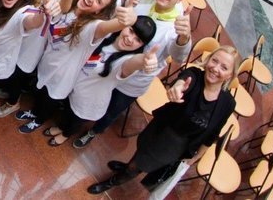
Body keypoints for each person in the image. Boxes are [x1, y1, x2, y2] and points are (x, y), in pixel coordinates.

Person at [87, 46, 239, 195]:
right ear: (208, 59)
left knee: (138, 166)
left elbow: (212, 134)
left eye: (224, 67)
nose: (215, 68)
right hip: (161, 129)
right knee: (141, 151)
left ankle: (112, 182)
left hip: (175, 146)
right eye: (214, 60)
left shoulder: (228, 104)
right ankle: (127, 167)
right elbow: (182, 80)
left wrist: (195, 158)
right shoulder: (194, 74)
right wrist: (177, 87)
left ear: (230, 75)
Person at [73, 0, 192, 149]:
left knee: (112, 110)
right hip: (112, 66)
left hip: (133, 82)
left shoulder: (175, 27)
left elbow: (178, 56)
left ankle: (94, 131)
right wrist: (128, 8)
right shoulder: (144, 7)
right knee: (97, 96)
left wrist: (184, 38)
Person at [16, 0, 134, 134]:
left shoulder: (94, 27)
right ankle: (34, 112)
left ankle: (38, 120)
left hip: (61, 79)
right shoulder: (69, 7)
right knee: (39, 94)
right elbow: (60, 0)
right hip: (46, 65)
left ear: (99, 11)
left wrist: (128, 20)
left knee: (48, 102)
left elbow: (111, 26)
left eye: (98, 1)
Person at [44, 16, 157, 146]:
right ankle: (61, 127)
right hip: (73, 90)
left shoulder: (125, 61)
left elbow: (131, 64)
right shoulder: (106, 37)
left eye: (138, 40)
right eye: (131, 31)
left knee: (75, 121)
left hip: (88, 103)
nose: (130, 39)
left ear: (142, 46)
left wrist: (143, 60)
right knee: (67, 112)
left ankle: (65, 134)